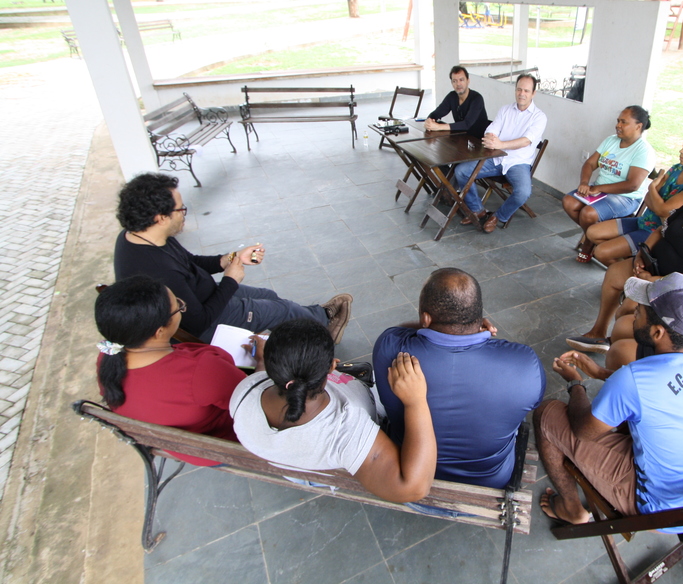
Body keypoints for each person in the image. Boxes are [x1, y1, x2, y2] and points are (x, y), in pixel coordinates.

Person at [534, 274, 683, 530]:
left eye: (639, 312)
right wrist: (600, 374)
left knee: (546, 413)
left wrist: (575, 384)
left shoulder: (634, 380)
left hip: (661, 509)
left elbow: (583, 431)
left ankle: (572, 509)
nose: (633, 316)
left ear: (657, 331)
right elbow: (659, 391)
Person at [113, 173, 351, 343]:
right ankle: (322, 330)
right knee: (283, 310)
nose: (185, 214)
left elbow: (190, 261)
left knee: (269, 297)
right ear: (161, 217)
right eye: (180, 209)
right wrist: (231, 279)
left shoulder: (142, 235)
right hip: (208, 321)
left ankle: (313, 320)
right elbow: (198, 323)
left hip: (204, 296)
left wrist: (229, 259)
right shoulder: (157, 271)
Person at [230, 319, 437, 504]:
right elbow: (413, 488)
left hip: (296, 467)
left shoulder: (245, 392)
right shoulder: (345, 431)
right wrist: (416, 401)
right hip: (360, 430)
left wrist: (260, 364)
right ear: (332, 367)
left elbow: (263, 381)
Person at [372, 268, 545, 489]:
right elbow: (534, 402)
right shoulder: (526, 364)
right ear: (478, 315)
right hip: (489, 482)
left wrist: (428, 325)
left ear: (425, 318)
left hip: (408, 468)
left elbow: (399, 331)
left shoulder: (390, 349)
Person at [567, 161, 683, 355]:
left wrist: (652, 280)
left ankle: (623, 350)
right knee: (615, 273)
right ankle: (598, 332)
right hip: (655, 269)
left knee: (626, 313)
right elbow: (661, 230)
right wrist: (642, 252)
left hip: (679, 294)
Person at [95, 275, 247, 466]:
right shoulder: (199, 370)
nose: (182, 308)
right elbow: (255, 402)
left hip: (183, 448)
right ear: (159, 331)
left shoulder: (107, 359)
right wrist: (261, 364)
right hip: (229, 448)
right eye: (178, 307)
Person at [586, 130, 683, 266]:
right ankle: (629, 266)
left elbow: (663, 211)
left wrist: (652, 189)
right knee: (592, 233)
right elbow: (649, 199)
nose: (682, 150)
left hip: (655, 233)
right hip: (643, 221)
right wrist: (655, 198)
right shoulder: (677, 168)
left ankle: (629, 274)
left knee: (601, 252)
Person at [453, 74, 548, 233]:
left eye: (526, 90)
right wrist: (490, 137)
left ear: (533, 93)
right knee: (461, 171)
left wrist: (501, 144)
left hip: (518, 163)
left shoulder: (539, 117)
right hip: (496, 159)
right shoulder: (505, 110)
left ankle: (498, 216)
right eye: (519, 89)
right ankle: (477, 210)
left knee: (524, 192)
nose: (521, 93)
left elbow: (526, 140)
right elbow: (492, 129)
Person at [562, 106, 656, 264]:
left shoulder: (643, 151)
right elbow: (590, 163)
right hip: (598, 190)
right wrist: (585, 183)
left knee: (588, 214)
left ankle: (588, 245)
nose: (618, 125)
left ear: (638, 126)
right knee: (568, 201)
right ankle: (598, 238)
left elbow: (632, 185)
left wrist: (598, 188)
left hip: (625, 197)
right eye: (618, 121)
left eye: (623, 122)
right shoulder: (611, 140)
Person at [424, 65, 491, 139]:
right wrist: (429, 121)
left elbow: (467, 124)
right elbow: (436, 114)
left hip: (479, 142)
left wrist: (439, 126)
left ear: (468, 81)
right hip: (461, 139)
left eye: (461, 80)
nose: (458, 84)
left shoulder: (477, 98)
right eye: (454, 81)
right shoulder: (452, 96)